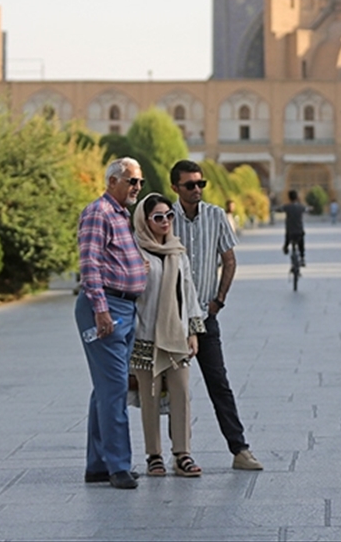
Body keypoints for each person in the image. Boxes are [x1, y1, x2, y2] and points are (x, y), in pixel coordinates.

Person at [170, 160, 264, 471]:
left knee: (219, 383)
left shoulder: (215, 215)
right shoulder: (166, 217)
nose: (197, 190)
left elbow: (229, 260)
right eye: (190, 185)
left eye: (201, 184)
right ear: (175, 188)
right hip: (173, 317)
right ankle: (177, 453)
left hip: (205, 316)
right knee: (175, 388)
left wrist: (219, 301)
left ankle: (240, 449)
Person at [76, 157, 148, 489]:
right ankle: (118, 466)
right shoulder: (99, 212)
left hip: (123, 306)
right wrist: (101, 310)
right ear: (112, 181)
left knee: (105, 387)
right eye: (132, 181)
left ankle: (98, 465)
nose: (137, 187)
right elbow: (89, 263)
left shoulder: (120, 214)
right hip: (106, 306)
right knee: (115, 387)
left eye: (140, 182)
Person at [131, 193, 205, 477]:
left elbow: (189, 292)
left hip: (176, 336)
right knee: (149, 396)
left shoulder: (177, 252)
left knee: (181, 394)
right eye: (158, 217)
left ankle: (182, 453)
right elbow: (124, 290)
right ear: (144, 220)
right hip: (145, 334)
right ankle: (154, 455)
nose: (165, 222)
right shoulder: (134, 251)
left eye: (169, 216)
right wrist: (134, 274)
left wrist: (193, 331)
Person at [281, 190, 306, 266]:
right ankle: (302, 258)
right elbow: (307, 209)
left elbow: (280, 209)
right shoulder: (301, 207)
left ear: (289, 198)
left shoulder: (287, 207)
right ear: (297, 197)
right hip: (299, 231)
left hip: (290, 231)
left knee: (287, 239)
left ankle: (286, 248)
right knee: (301, 243)